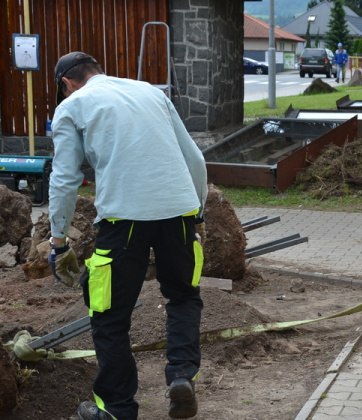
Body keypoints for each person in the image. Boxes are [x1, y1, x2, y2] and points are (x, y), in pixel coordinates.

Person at [48, 51, 208, 420]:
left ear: (66, 84)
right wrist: (198, 213)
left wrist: (59, 243)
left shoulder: (73, 105)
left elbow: (65, 178)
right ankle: (182, 376)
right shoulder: (151, 92)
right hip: (179, 213)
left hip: (124, 221)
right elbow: (195, 160)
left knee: (107, 315)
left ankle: (117, 408)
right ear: (97, 71)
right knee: (184, 297)